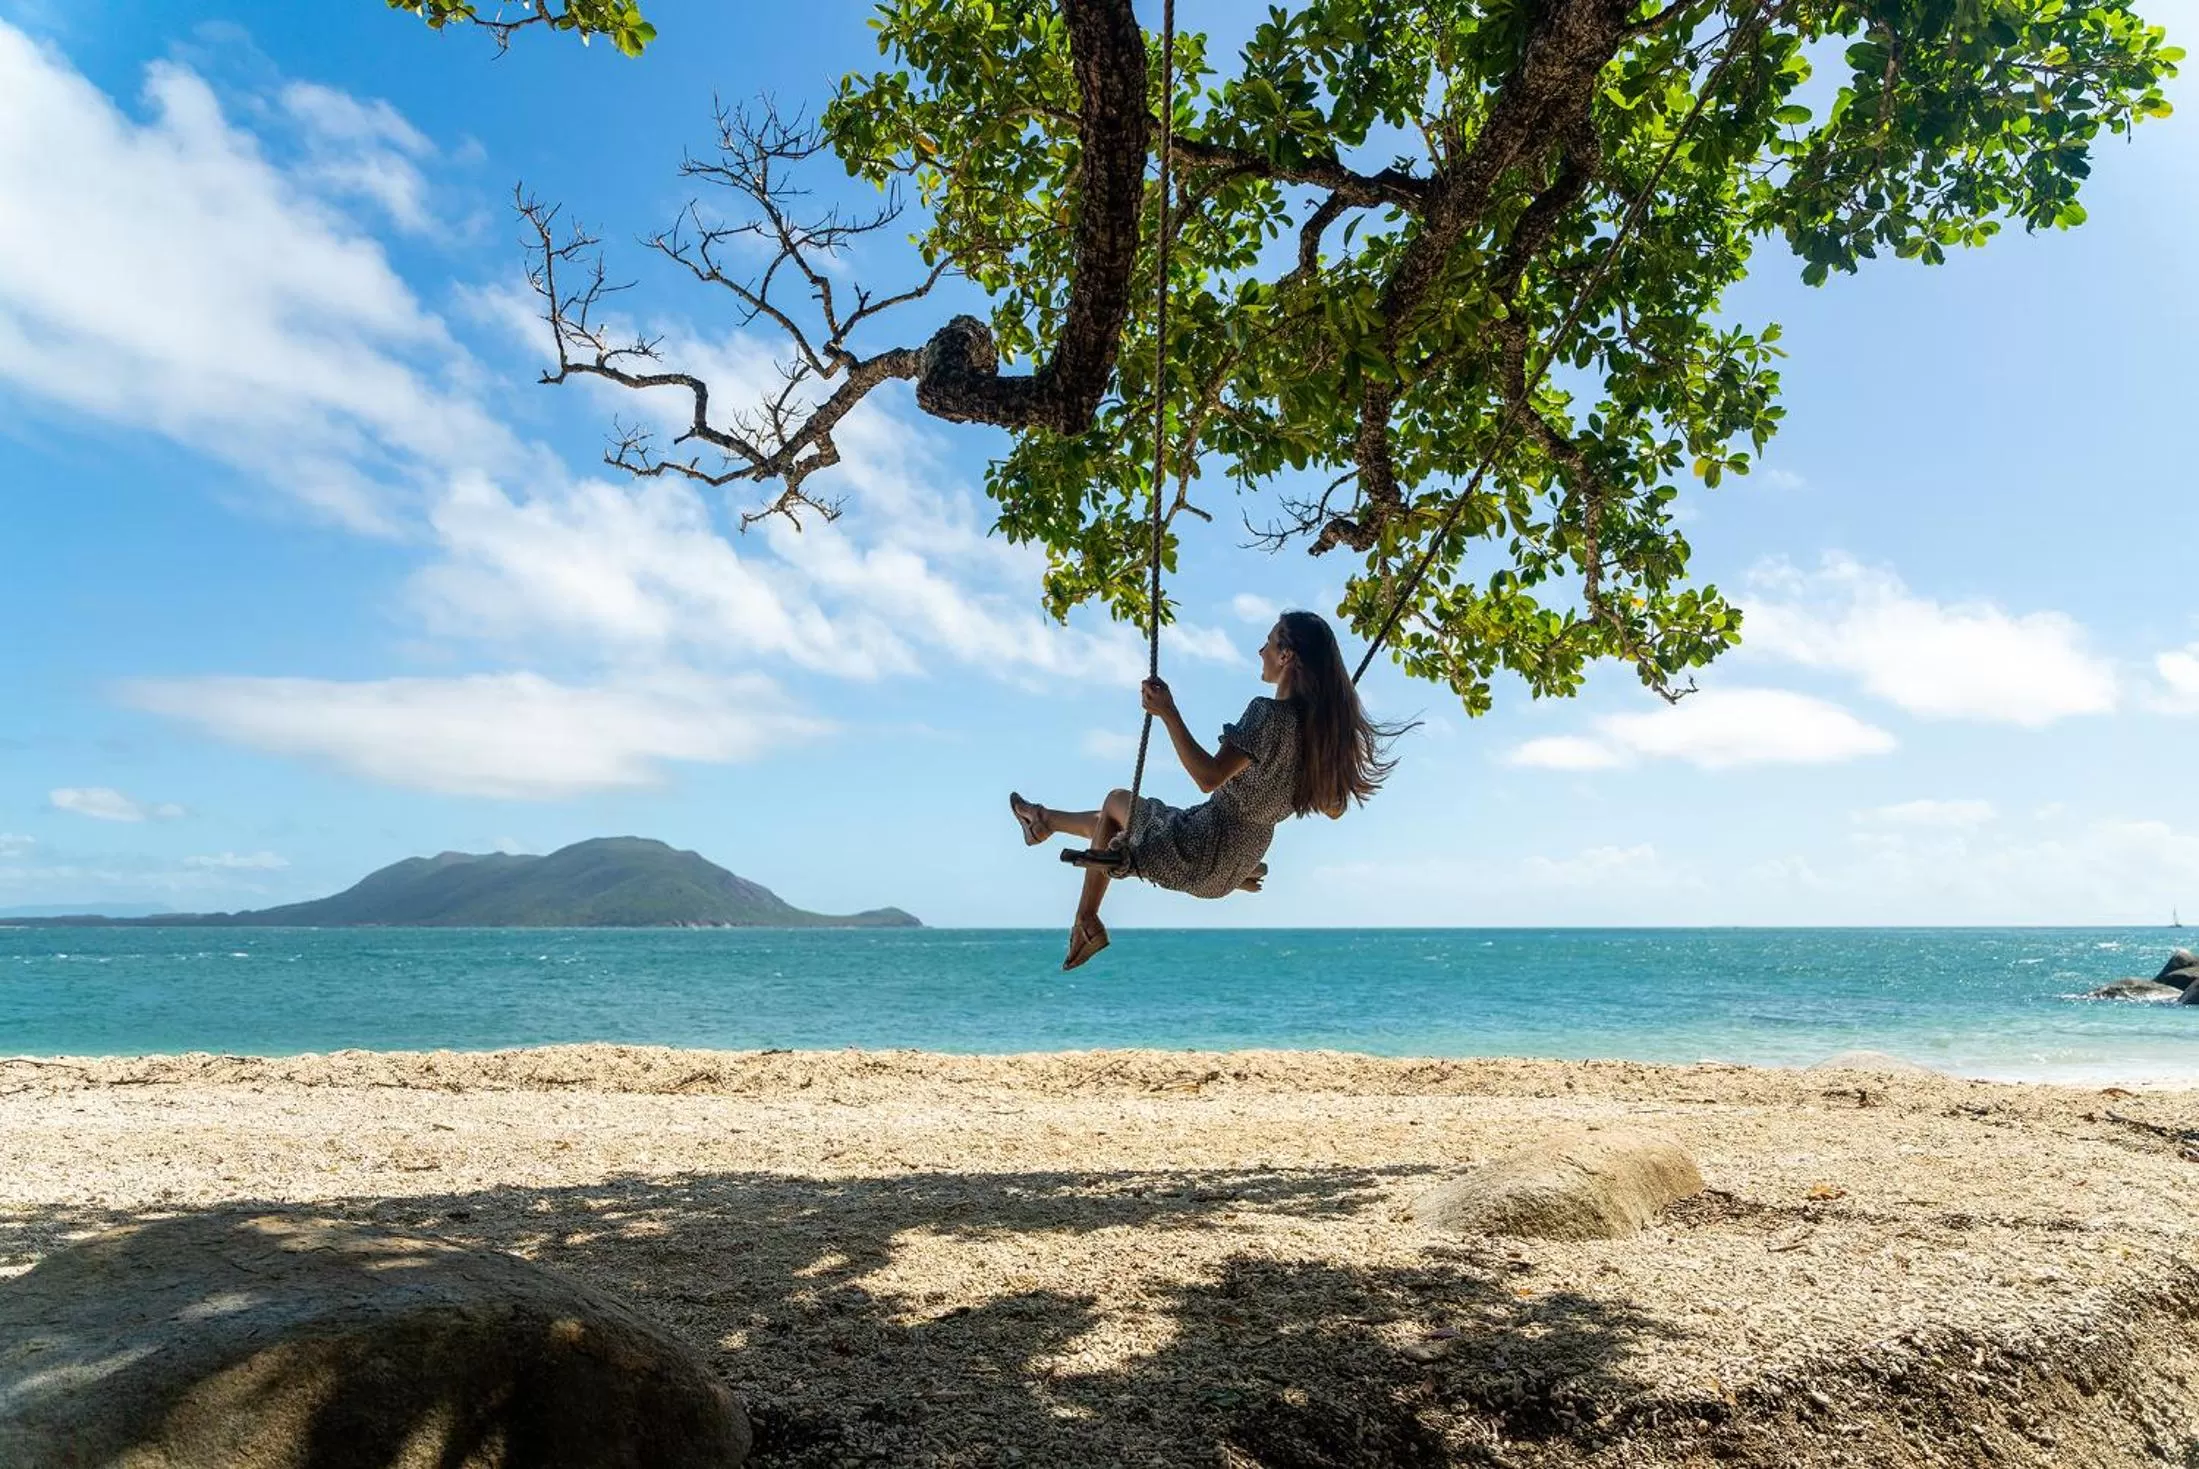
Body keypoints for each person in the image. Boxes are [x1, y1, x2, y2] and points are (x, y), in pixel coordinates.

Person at [1009, 610, 1411, 970]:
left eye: (1269, 643)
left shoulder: (1268, 715)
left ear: (1286, 656)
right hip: (1236, 864)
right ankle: (1043, 822)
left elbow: (1208, 778)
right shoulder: (1319, 737)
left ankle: (1086, 920)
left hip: (1202, 846)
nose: (1261, 651)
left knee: (1117, 800)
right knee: (1118, 822)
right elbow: (1334, 808)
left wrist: (1168, 712)